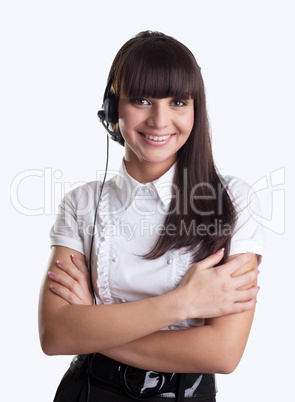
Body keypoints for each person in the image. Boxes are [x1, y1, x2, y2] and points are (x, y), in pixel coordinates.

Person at [38, 31, 265, 402]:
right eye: (142, 100)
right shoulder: (82, 204)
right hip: (90, 391)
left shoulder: (232, 200)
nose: (160, 121)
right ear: (112, 110)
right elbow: (54, 336)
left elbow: (223, 353)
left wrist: (92, 326)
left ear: (195, 110)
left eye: (177, 102)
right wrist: (183, 303)